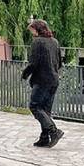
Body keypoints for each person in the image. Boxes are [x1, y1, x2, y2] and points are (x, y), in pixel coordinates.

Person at [22, 19, 64, 148]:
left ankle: (53, 131)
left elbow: (34, 63)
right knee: (45, 110)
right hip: (54, 79)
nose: (32, 33)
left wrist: (25, 73)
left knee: (35, 106)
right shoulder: (54, 42)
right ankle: (44, 138)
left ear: (37, 29)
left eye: (32, 30)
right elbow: (59, 63)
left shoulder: (37, 42)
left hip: (41, 80)